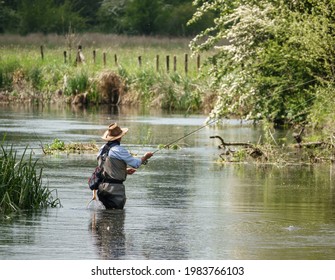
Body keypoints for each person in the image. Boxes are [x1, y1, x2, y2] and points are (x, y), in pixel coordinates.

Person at [96, 123, 153, 209]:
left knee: (104, 217)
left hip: (101, 187)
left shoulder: (102, 148)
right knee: (116, 217)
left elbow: (103, 166)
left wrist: (124, 170)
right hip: (114, 190)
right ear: (120, 137)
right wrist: (145, 157)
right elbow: (135, 164)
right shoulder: (119, 150)